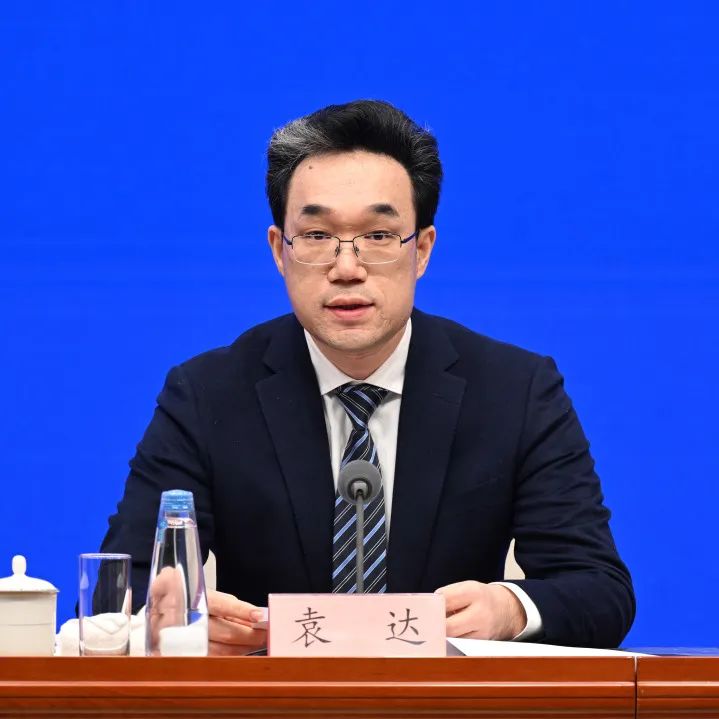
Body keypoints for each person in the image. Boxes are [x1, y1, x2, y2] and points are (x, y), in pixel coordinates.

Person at [100, 99, 635, 653]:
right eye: (316, 236)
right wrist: (170, 624)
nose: (347, 267)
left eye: (379, 236)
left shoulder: (514, 391)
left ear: (421, 250)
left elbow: (599, 589)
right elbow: (121, 593)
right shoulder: (208, 394)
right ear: (280, 251)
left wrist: (510, 608)